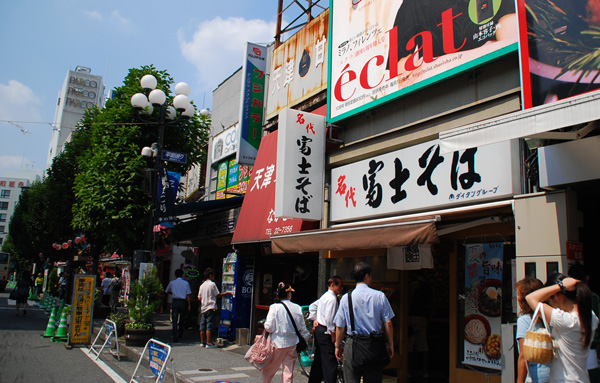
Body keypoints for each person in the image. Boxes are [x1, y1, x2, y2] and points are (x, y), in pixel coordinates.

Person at [526, 273, 599, 383]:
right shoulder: (591, 317)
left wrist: (560, 286)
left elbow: (531, 298)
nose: (552, 306)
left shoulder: (566, 321)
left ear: (557, 297)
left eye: (550, 301)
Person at [334, 262, 395, 383]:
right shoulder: (380, 296)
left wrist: (337, 345)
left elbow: (340, 326)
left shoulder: (346, 298)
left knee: (351, 379)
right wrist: (391, 344)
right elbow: (388, 322)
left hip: (353, 343)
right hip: (373, 344)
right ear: (367, 276)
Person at [262, 282, 310, 383]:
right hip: (292, 343)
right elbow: (302, 329)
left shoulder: (274, 307)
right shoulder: (297, 307)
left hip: (277, 343)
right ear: (289, 294)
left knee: (269, 370)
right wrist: (305, 341)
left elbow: (269, 327)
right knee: (288, 373)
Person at [308, 276, 344, 383]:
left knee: (319, 360)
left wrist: (315, 319)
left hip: (320, 330)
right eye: (340, 286)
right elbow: (330, 319)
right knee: (330, 362)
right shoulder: (332, 299)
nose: (341, 288)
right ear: (332, 285)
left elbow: (312, 307)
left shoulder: (325, 296)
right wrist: (333, 335)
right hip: (325, 331)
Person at [568, 262, 600, 383]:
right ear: (587, 277)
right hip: (591, 353)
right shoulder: (594, 298)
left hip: (570, 357)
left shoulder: (567, 298)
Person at [515, 277, 550, 383]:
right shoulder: (548, 316)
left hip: (536, 377)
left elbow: (523, 356)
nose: (517, 297)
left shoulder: (524, 320)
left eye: (519, 294)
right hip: (554, 375)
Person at [408, 269, 435, 378]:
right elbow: (433, 305)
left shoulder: (413, 286)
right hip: (423, 318)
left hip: (412, 317)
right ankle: (424, 371)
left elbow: (408, 301)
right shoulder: (431, 288)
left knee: (409, 345)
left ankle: (408, 371)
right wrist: (428, 319)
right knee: (423, 345)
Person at [198, 267, 232, 348]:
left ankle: (202, 342)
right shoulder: (212, 284)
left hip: (203, 308)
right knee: (209, 325)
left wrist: (204, 300)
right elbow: (217, 295)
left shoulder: (202, 285)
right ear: (210, 275)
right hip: (210, 307)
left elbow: (199, 297)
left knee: (202, 325)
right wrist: (226, 293)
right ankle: (209, 343)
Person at [165, 269, 192, 343]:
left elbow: (166, 291)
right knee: (182, 319)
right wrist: (189, 304)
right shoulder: (186, 283)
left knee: (174, 318)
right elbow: (188, 294)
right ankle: (180, 333)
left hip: (175, 301)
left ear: (175, 275)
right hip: (183, 302)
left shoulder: (172, 283)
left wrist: (173, 292)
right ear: (182, 275)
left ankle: (174, 334)